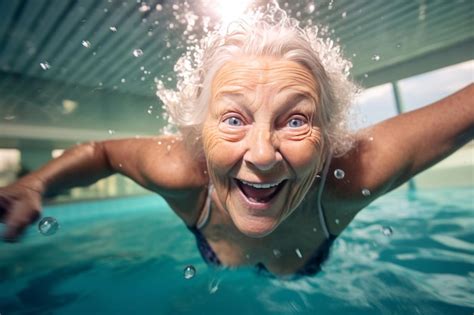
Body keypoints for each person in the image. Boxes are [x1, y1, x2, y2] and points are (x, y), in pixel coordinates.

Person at [0, 8, 473, 277]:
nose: (263, 155)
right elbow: (101, 153)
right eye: (232, 119)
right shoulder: (182, 172)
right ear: (197, 134)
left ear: (328, 138)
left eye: (295, 121)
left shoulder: (352, 176)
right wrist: (35, 185)